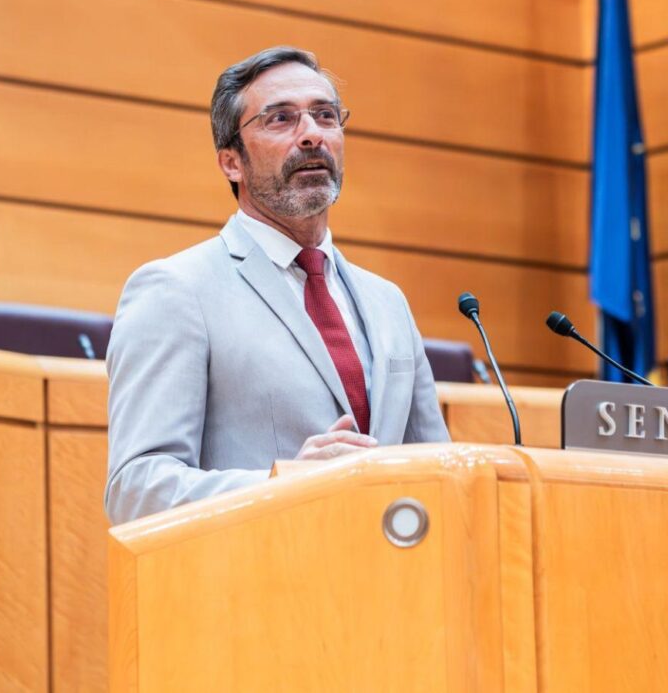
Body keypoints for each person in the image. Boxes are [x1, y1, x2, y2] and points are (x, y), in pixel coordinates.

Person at [104, 46, 450, 525]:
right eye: (280, 119)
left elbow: (434, 470)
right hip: (261, 584)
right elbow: (135, 490)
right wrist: (279, 484)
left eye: (325, 116)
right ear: (231, 162)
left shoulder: (387, 302)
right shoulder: (177, 290)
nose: (311, 135)